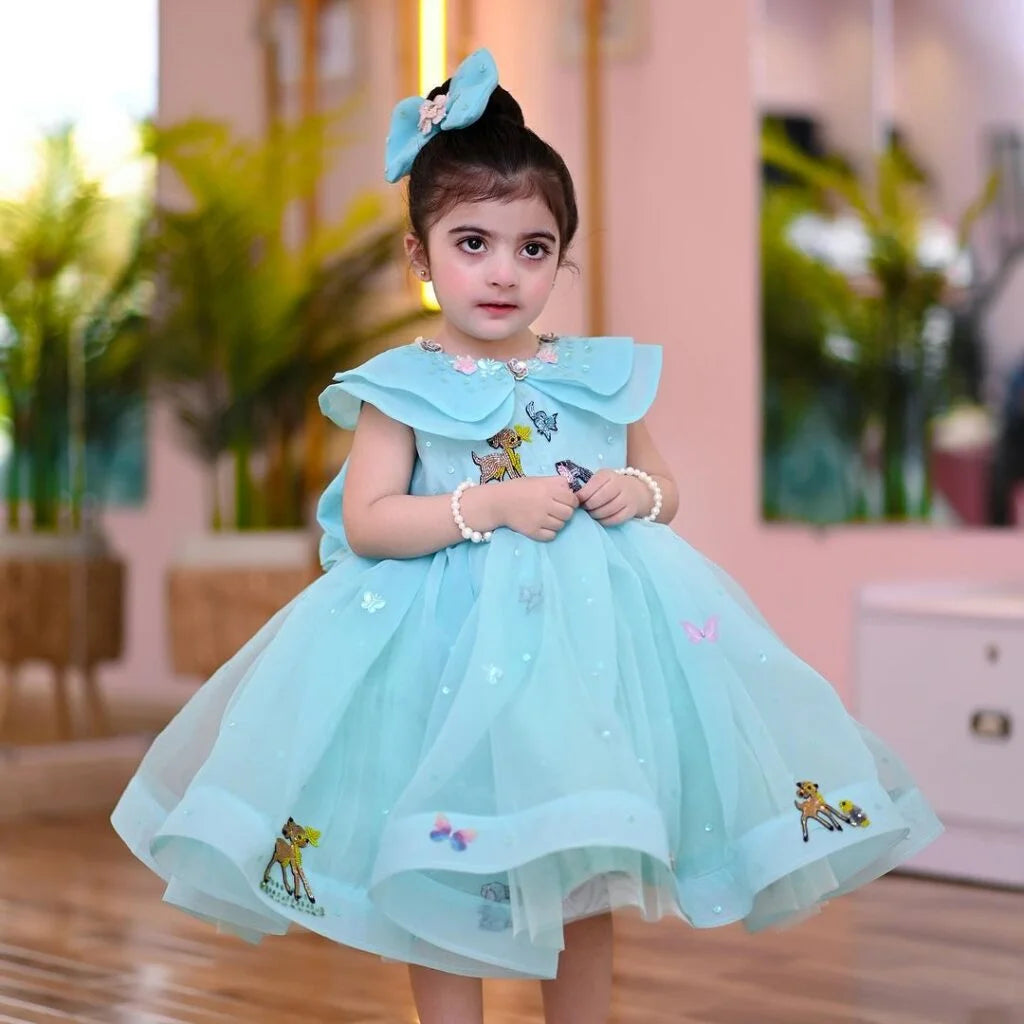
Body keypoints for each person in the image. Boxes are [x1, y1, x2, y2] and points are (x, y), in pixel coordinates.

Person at [112, 48, 942, 1024]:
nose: (504, 272)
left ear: (560, 257)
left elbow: (663, 484)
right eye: (473, 243)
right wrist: (489, 506)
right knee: (436, 867)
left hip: (584, 664)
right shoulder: (402, 386)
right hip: (441, 661)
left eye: (534, 248)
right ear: (420, 254)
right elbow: (369, 522)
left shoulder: (594, 374)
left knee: (584, 862)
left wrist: (637, 491)